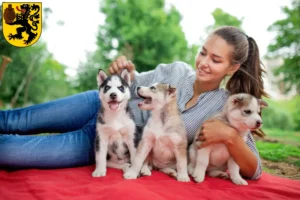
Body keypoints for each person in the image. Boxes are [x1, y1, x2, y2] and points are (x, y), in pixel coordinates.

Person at [0, 26, 268, 180]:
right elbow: (132, 82)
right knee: (17, 120)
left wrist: (231, 137)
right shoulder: (175, 71)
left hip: (109, 145)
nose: (204, 63)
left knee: (12, 152)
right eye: (203, 52)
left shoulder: (225, 106)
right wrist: (124, 68)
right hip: (99, 105)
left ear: (232, 68)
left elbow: (254, 169)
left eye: (216, 60)